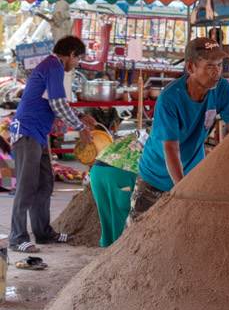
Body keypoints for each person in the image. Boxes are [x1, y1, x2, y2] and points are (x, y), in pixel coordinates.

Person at [129, 37, 229, 222]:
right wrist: (182, 190)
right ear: (190, 68)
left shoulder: (223, 90)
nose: (217, 72)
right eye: (210, 66)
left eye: (220, 65)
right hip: (155, 175)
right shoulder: (169, 98)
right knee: (137, 236)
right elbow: (171, 148)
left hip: (193, 173)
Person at [8, 36, 95, 258]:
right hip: (26, 133)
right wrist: (80, 127)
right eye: (78, 59)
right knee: (26, 187)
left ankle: (43, 233)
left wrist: (81, 116)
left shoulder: (52, 66)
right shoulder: (53, 66)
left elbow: (56, 103)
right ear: (72, 54)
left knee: (45, 184)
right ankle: (17, 238)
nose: (77, 64)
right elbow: (57, 104)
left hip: (37, 134)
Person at [90, 130, 146, 246]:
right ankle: (120, 252)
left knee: (107, 216)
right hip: (121, 172)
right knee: (122, 216)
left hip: (97, 172)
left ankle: (108, 252)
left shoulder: (137, 134)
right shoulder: (160, 139)